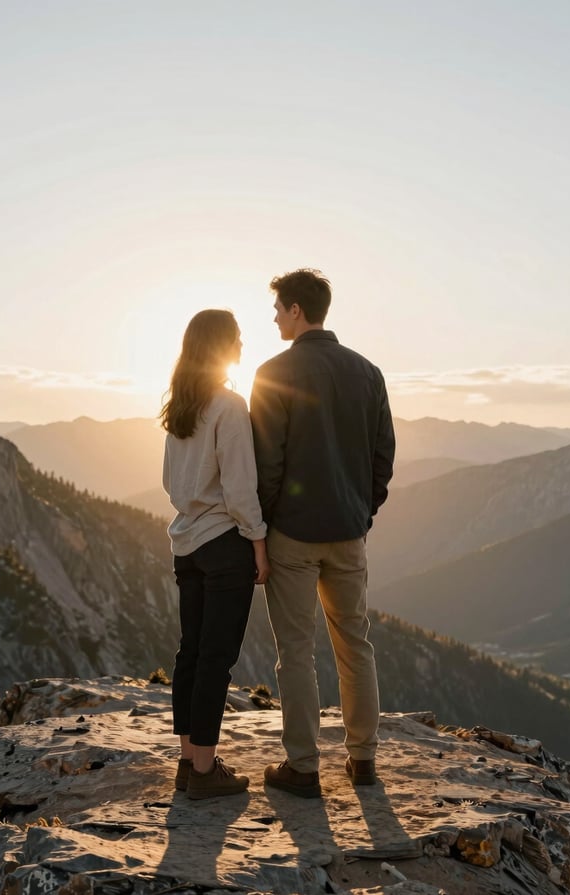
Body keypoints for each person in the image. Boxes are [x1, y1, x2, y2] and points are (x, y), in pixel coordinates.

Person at [250, 269, 395, 798]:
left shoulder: (272, 374)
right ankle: (363, 762)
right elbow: (384, 457)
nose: (273, 318)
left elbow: (267, 463)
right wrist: (362, 510)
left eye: (278, 308)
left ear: (295, 311)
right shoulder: (368, 373)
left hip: (292, 533)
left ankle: (304, 767)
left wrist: (262, 532)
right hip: (348, 533)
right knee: (355, 644)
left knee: (295, 650)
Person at [161, 309, 270, 800]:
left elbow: (171, 482)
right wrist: (258, 543)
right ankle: (206, 772)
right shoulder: (229, 405)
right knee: (216, 659)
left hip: (187, 543)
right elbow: (241, 487)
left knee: (191, 653)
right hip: (225, 543)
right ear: (221, 346)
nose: (243, 344)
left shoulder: (181, 409)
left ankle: (188, 760)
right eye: (237, 338)